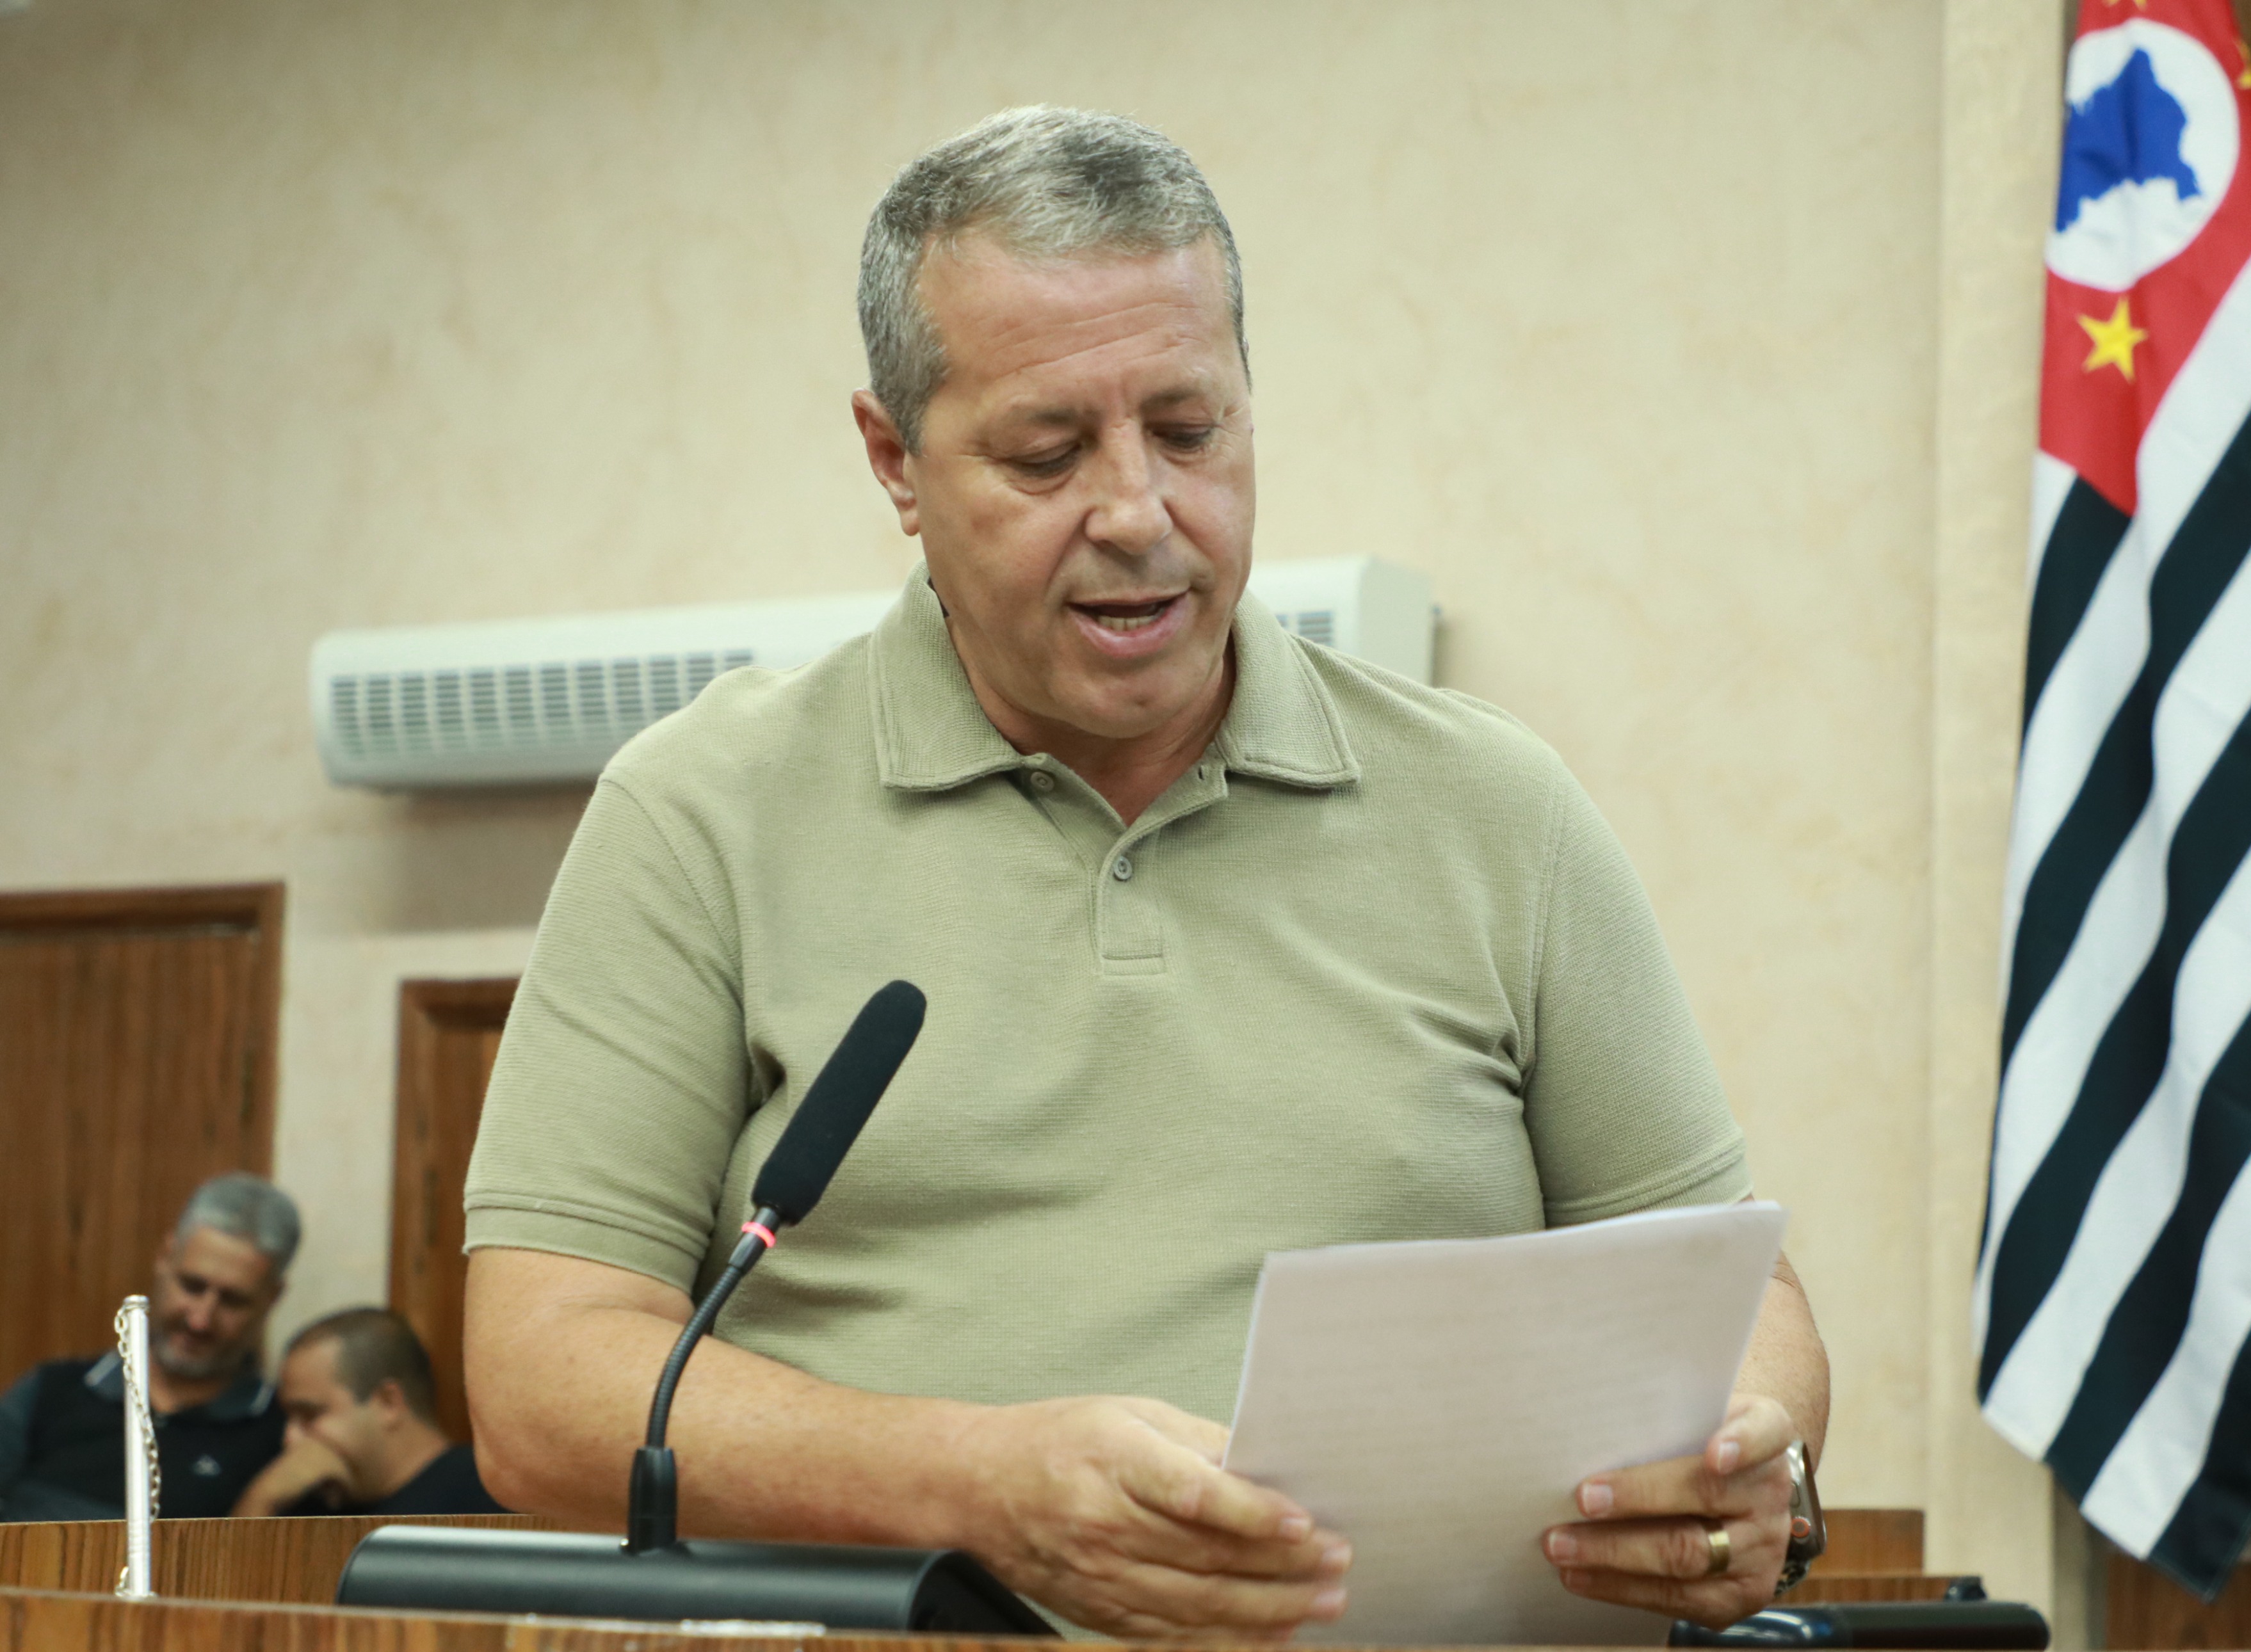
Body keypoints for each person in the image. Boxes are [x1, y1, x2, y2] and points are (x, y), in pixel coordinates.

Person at [462, 106, 1829, 1637]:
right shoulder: (699, 813)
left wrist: (1754, 1462)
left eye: (1190, 431)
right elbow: (544, 1381)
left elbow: (1737, 1297)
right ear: (894, 460)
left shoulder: (1499, 807)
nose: (1137, 513)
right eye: (1046, 453)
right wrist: (976, 1484)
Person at [0, 1173, 297, 1522]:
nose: (200, 1320)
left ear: (272, 1297)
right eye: (192, 1286)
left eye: (232, 1301)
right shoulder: (50, 1392)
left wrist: (263, 1498)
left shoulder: (283, 1434)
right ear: (166, 1256)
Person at [232, 1308, 503, 1518]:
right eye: (289, 1418)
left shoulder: (490, 1495)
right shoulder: (312, 1498)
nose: (290, 1438)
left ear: (388, 1403)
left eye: (310, 1415)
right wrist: (264, 1498)